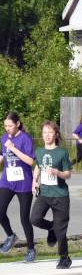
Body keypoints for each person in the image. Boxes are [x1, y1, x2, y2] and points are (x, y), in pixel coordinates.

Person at [30, 121, 73, 268]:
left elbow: (68, 174)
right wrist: (34, 181)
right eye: (44, 132)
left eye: (50, 132)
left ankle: (64, 258)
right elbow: (38, 167)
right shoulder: (39, 151)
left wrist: (57, 172)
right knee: (34, 218)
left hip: (60, 195)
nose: (47, 135)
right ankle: (51, 228)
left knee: (61, 230)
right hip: (44, 194)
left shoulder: (62, 153)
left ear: (56, 134)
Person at [0, 112, 36, 261]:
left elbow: (30, 161)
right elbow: (3, 156)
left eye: (10, 125)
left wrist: (14, 148)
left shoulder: (25, 138)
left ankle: (31, 249)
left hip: (24, 183)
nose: (7, 128)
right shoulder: (4, 137)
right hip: (7, 181)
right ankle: (11, 236)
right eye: (5, 126)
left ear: (18, 124)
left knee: (24, 219)